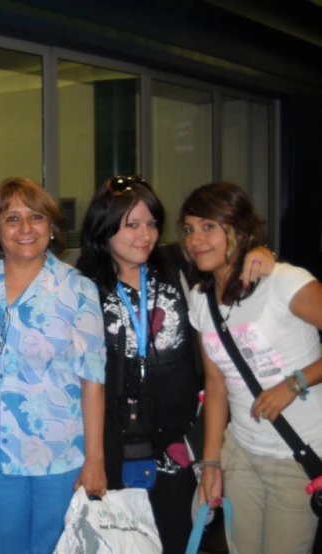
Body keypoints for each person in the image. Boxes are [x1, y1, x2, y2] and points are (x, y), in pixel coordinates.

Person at [76, 175, 274, 553]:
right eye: (131, 224)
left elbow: (222, 250)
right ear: (104, 229)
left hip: (178, 440)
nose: (145, 235)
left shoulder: (173, 264)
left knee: (178, 537)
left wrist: (260, 251)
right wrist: (92, 458)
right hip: (112, 439)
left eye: (151, 223)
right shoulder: (83, 281)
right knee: (120, 541)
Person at [0, 177, 106, 554]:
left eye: (36, 216)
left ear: (52, 226)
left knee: (55, 547)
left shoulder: (78, 289)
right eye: (11, 218)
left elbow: (93, 380)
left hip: (59, 453)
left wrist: (95, 460)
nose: (25, 228)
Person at [182, 182, 322, 554]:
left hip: (296, 457)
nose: (196, 239)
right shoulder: (200, 301)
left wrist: (294, 383)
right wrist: (211, 462)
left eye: (209, 226)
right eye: (189, 228)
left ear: (240, 230)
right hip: (241, 453)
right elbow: (215, 385)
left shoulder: (284, 282)